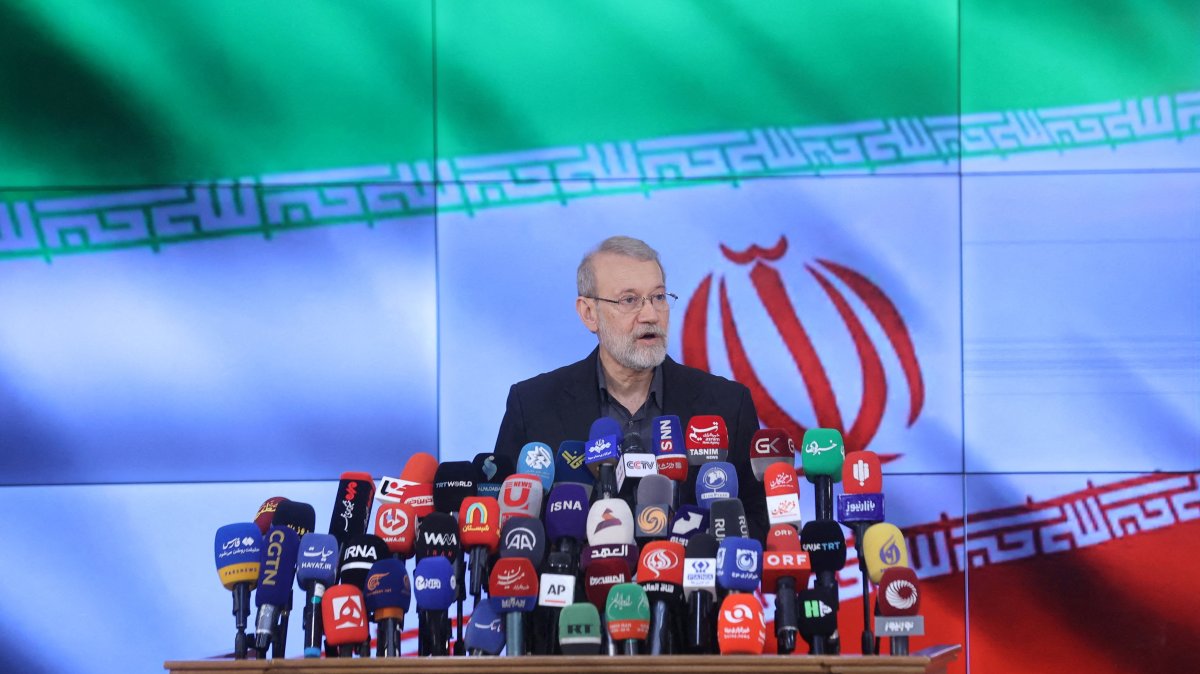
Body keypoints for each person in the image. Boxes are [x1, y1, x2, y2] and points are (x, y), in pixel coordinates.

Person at [493, 235, 766, 540]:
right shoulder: (533, 406)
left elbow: (758, 523)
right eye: (629, 300)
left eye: (659, 297)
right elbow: (505, 527)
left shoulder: (728, 405)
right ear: (588, 313)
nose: (650, 315)